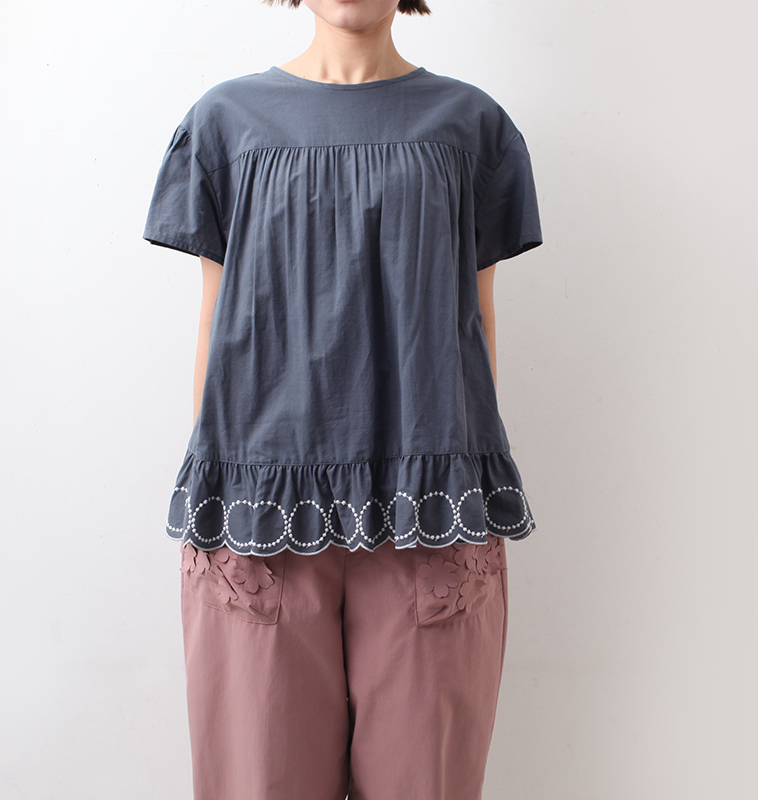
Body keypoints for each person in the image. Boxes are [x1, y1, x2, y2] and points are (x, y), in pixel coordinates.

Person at [141, 1, 543, 797]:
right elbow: (215, 321)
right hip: (259, 521)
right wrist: (222, 493)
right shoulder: (225, 123)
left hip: (430, 516)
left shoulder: (472, 126)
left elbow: (476, 319)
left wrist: (463, 481)